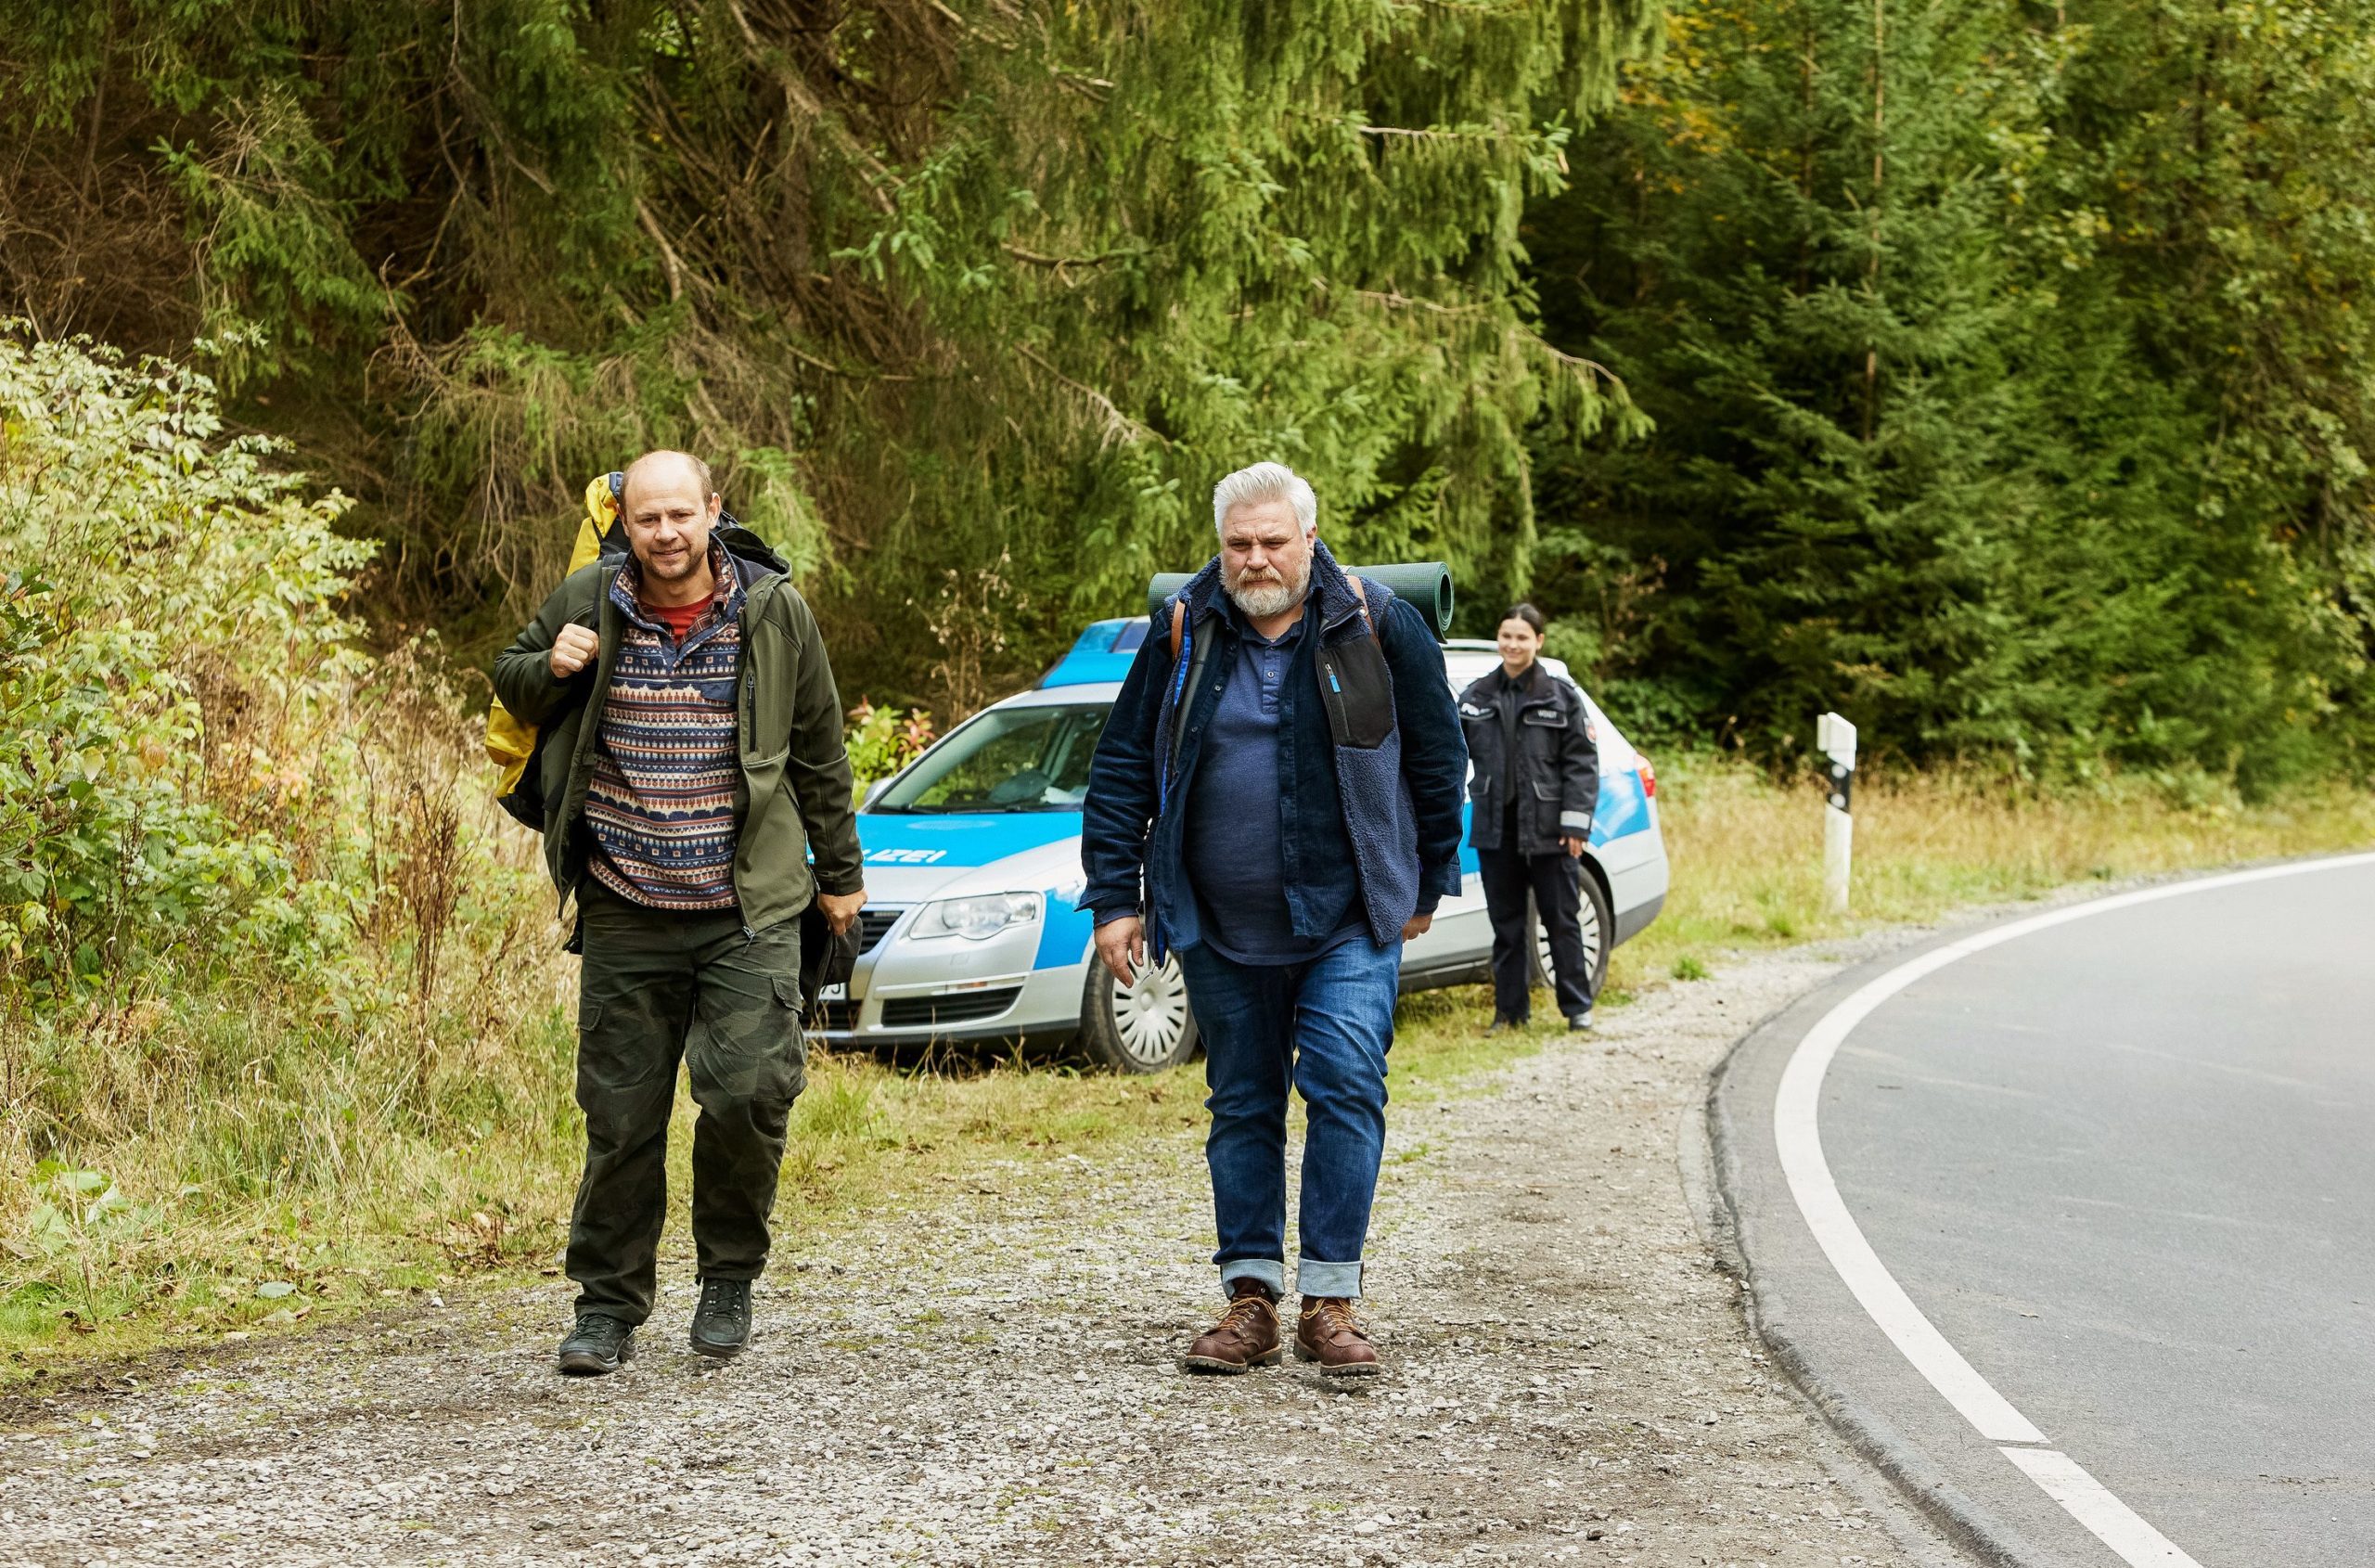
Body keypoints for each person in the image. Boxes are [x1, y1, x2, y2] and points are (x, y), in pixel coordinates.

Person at [1080, 461, 1467, 1378]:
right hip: (1215, 919)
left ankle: (1329, 1301)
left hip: (1347, 917)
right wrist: (1113, 895)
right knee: (1242, 1104)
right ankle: (1250, 1297)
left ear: (1307, 537)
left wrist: (1425, 882)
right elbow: (1123, 762)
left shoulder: (1374, 622)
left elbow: (1438, 755)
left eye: (1271, 542)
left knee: (1342, 1084)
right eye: (1237, 544)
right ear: (1220, 546)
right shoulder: (1183, 627)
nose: (1253, 561)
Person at [492, 449, 866, 1375]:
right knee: (621, 1116)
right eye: (646, 518)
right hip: (625, 903)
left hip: (749, 904)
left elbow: (819, 746)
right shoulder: (588, 597)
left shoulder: (774, 609)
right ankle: (607, 1306)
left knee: (747, 1092)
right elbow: (510, 677)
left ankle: (728, 1275)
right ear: (624, 520)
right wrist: (553, 663)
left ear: (711, 511)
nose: (664, 534)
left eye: (680, 516)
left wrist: (841, 872)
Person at [1457, 602, 1600, 1034]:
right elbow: (1447, 755)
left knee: (1561, 919)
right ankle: (1510, 1013)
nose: (1513, 644)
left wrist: (1575, 824)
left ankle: (1577, 1008)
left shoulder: (1560, 696)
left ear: (1538, 641)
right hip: (1495, 830)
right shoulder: (1475, 697)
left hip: (1551, 830)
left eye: (1522, 637)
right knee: (1507, 927)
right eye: (1506, 636)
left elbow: (1581, 763)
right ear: (1498, 639)